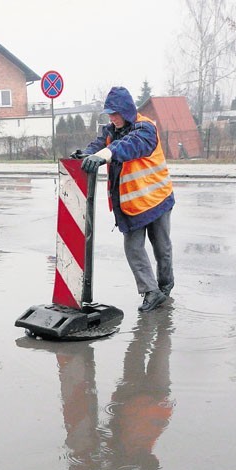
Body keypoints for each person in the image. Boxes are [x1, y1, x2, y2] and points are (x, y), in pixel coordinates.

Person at [73, 86, 175, 312]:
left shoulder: (145, 128)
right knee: (133, 248)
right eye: (109, 113)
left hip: (157, 199)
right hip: (132, 205)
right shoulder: (110, 131)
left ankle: (165, 287)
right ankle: (151, 291)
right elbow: (99, 145)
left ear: (127, 111)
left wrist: (104, 155)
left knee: (162, 248)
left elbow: (128, 146)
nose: (112, 117)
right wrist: (85, 155)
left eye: (115, 113)